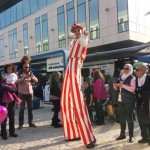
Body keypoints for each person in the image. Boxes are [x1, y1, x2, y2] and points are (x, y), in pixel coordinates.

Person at [61, 23, 96, 149]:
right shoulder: (74, 41)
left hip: (75, 66)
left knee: (77, 100)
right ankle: (72, 133)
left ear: (81, 30)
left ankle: (89, 138)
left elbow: (84, 41)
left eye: (78, 30)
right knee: (66, 101)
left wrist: (84, 35)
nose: (76, 32)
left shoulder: (82, 39)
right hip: (69, 66)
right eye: (75, 30)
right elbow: (72, 45)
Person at [113, 64, 136, 143]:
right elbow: (117, 89)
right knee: (122, 119)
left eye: (127, 68)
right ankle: (122, 134)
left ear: (130, 69)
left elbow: (132, 89)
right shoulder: (121, 77)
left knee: (129, 119)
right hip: (120, 100)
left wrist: (122, 85)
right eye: (124, 68)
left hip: (129, 100)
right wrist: (115, 85)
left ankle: (131, 136)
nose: (125, 69)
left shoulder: (132, 78)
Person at [16, 62, 38, 129]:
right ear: (22, 67)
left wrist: (32, 78)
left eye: (28, 67)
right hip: (22, 93)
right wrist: (23, 79)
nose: (27, 68)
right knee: (21, 109)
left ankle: (30, 122)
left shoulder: (30, 73)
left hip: (30, 93)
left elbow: (36, 80)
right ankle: (20, 124)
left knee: (30, 109)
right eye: (25, 67)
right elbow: (15, 81)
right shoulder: (19, 73)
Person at [135, 63, 150, 145]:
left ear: (142, 70)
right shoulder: (137, 79)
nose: (135, 71)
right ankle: (144, 137)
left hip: (148, 103)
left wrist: (142, 93)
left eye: (137, 70)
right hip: (139, 103)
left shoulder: (148, 78)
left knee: (148, 120)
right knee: (140, 120)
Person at [0, 72, 18, 140]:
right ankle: (3, 134)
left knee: (12, 118)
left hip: (11, 102)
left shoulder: (9, 81)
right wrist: (3, 88)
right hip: (2, 103)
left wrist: (10, 88)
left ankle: (12, 132)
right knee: (3, 119)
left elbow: (15, 89)